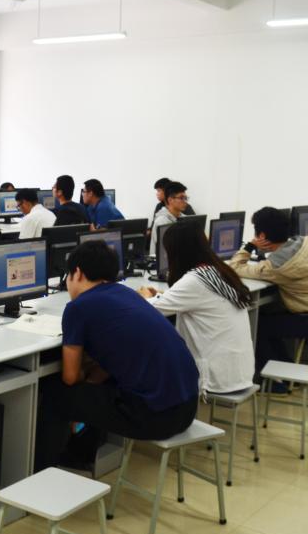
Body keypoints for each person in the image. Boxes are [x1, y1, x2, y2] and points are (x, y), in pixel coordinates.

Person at [35, 240, 198, 469]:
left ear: (77, 273)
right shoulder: (128, 294)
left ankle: (42, 471)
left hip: (156, 417)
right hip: (187, 408)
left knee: (56, 393)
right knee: (102, 384)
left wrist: (84, 372)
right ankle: (81, 454)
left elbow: (70, 378)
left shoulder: (78, 307)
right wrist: (92, 374)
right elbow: (119, 357)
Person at [138, 222, 254, 395]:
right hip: (238, 369)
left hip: (215, 376)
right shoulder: (218, 271)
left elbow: (149, 310)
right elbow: (197, 298)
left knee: (147, 361)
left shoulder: (195, 280)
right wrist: (162, 295)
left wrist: (145, 296)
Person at [229, 207, 308, 378]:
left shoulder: (274, 267)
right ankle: (284, 367)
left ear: (262, 236)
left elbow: (235, 267)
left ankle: (275, 380)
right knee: (267, 316)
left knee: (257, 326)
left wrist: (250, 246)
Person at [150, 181, 189, 257]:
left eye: (186, 198)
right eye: (181, 198)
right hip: (163, 260)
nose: (185, 202)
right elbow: (168, 249)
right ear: (170, 200)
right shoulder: (162, 221)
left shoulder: (185, 218)